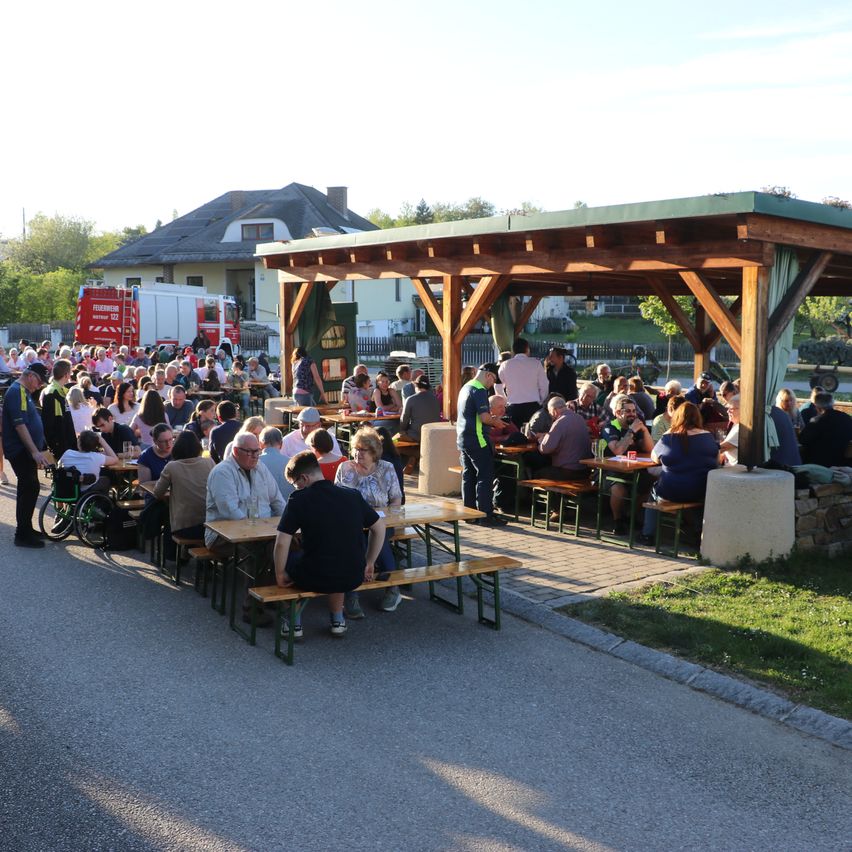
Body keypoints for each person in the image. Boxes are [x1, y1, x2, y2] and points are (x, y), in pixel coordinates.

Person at [274, 451, 387, 639]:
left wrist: (279, 574)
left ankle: (293, 624)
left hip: (315, 576)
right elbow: (380, 528)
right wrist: (369, 562)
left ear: (304, 478)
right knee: (337, 557)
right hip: (353, 575)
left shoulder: (298, 499)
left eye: (295, 484)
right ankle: (337, 620)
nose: (296, 488)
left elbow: (281, 542)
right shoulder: (352, 495)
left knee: (291, 559)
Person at [205, 432, 286, 624]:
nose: (255, 456)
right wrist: (257, 533)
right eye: (250, 452)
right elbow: (229, 511)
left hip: (259, 531)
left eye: (257, 451)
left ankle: (269, 594)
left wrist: (288, 525)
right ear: (235, 451)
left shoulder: (261, 468)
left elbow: (277, 500)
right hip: (222, 536)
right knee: (258, 552)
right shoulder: (222, 472)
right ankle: (251, 608)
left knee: (284, 545)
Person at [335, 426, 403, 616]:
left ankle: (392, 589)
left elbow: (396, 498)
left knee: (378, 536)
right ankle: (352, 594)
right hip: (352, 523)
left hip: (381, 522)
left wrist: (389, 517)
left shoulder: (386, 468)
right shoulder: (345, 468)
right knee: (358, 541)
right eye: (356, 449)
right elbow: (337, 499)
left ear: (374, 452)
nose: (358, 453)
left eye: (363, 450)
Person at [638, 401, 718, 544]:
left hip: (672, 491)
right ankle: (698, 533)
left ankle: (647, 534)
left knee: (653, 491)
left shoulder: (669, 437)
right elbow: (716, 460)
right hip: (700, 491)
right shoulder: (708, 437)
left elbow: (654, 457)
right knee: (697, 490)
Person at [2, 364, 50, 547]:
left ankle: (25, 528)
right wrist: (34, 451)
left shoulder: (23, 392)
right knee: (29, 487)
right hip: (20, 450)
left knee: (29, 488)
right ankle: (22, 534)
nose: (40, 385)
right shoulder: (17, 392)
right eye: (39, 381)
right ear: (30, 376)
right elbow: (20, 425)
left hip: (25, 450)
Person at [456, 363, 508, 527]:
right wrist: (496, 422)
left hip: (463, 438)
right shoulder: (479, 390)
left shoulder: (466, 387)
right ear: (488, 375)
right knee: (485, 477)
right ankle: (486, 515)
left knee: (468, 476)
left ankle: (469, 513)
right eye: (493, 380)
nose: (492, 384)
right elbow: (484, 418)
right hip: (478, 439)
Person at [153, 430, 215, 554]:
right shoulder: (209, 462)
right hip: (210, 525)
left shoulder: (172, 467)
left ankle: (170, 554)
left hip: (184, 527)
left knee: (165, 513)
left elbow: (157, 493)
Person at [600, 395, 654, 535]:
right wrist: (631, 432)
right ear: (618, 413)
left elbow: (650, 450)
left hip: (633, 469)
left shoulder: (635, 427)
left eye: (634, 411)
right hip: (610, 471)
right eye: (628, 411)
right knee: (619, 488)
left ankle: (631, 516)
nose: (632, 414)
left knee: (649, 482)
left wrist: (644, 430)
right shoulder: (610, 427)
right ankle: (618, 521)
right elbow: (617, 450)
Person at [533, 397, 593, 482]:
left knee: (536, 473)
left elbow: (545, 449)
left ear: (554, 410)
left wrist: (541, 441)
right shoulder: (580, 418)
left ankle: (524, 490)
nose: (551, 415)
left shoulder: (559, 422)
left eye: (550, 412)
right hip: (584, 471)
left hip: (567, 472)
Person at [497, 338, 549, 428]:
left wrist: (506, 401)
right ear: (527, 349)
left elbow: (498, 386)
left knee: (514, 434)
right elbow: (544, 385)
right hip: (533, 407)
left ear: (513, 351)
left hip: (513, 407)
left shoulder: (505, 365)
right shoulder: (536, 363)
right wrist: (540, 401)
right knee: (533, 434)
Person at [799, 393, 852, 468]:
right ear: (832, 404)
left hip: (817, 464)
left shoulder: (816, 421)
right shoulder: (846, 418)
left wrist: (811, 423)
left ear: (817, 407)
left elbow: (802, 440)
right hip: (841, 463)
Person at [58, 429, 119, 494]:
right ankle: (102, 500)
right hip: (84, 492)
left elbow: (59, 467)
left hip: (65, 490)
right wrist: (101, 440)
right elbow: (115, 459)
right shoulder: (96, 457)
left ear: (79, 442)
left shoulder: (68, 453)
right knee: (105, 480)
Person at [40, 359, 76, 461]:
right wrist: (55, 446)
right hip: (61, 447)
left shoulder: (62, 390)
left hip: (67, 444)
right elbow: (49, 423)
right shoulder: (52, 393)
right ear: (66, 375)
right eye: (70, 373)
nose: (70, 376)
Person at [396, 375, 441, 442]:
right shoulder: (435, 399)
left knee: (397, 436)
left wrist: (402, 430)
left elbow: (404, 420)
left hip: (416, 436)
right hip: (433, 434)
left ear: (416, 386)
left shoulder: (410, 399)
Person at [258, 426, 294, 499]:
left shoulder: (255, 462)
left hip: (262, 504)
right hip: (286, 504)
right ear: (281, 443)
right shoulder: (292, 463)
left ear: (260, 444)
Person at [719, 396, 740, 465]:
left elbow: (722, 448)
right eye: (727, 408)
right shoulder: (736, 425)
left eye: (731, 409)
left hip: (739, 469)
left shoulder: (742, 428)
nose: (727, 411)